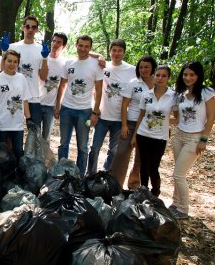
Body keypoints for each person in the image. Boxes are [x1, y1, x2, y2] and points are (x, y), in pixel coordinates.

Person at [169, 61, 215, 219]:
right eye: (185, 74)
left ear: (198, 76)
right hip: (179, 137)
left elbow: (210, 118)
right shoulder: (179, 95)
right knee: (178, 172)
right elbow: (177, 119)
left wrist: (204, 139)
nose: (188, 78)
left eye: (192, 75)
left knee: (179, 175)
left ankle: (183, 210)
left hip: (195, 138)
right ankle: (175, 204)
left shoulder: (206, 92)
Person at [55, 35, 104, 175]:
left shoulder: (97, 65)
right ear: (76, 45)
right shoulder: (69, 63)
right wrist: (57, 106)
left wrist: (95, 113)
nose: (83, 49)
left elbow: (99, 90)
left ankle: (80, 176)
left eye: (86, 46)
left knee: (82, 147)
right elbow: (62, 85)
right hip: (66, 109)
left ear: (90, 48)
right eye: (81, 45)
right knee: (63, 143)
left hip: (85, 112)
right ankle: (61, 173)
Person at [87, 39, 136, 175]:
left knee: (113, 150)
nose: (116, 53)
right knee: (95, 148)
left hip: (120, 119)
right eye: (114, 50)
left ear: (124, 52)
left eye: (120, 50)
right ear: (110, 51)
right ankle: (90, 174)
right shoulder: (103, 65)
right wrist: (100, 56)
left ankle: (106, 175)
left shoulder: (131, 70)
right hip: (102, 116)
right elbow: (85, 51)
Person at [110, 56, 157, 189]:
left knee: (141, 158)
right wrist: (124, 125)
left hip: (148, 125)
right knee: (121, 153)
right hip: (131, 123)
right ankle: (114, 185)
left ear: (152, 68)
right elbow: (125, 104)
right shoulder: (133, 83)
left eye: (146, 67)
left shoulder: (158, 84)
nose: (143, 70)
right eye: (141, 67)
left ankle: (134, 185)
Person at [131, 65, 177, 197]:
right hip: (143, 134)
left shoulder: (173, 96)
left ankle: (155, 193)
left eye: (164, 76)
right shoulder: (147, 94)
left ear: (169, 78)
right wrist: (135, 136)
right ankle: (143, 192)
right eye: (158, 75)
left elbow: (178, 118)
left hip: (160, 137)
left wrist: (164, 120)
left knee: (153, 168)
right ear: (154, 76)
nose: (160, 78)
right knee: (143, 166)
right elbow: (141, 116)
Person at [0, 50, 31, 161]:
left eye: (15, 62)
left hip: (17, 124)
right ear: (4, 61)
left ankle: (17, 176)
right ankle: (2, 177)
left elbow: (25, 100)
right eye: (9, 61)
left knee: (18, 151)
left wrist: (29, 118)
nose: (12, 64)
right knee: (2, 153)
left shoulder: (22, 78)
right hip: (2, 122)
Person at [7, 15, 49, 127]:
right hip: (14, 95)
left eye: (33, 27)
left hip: (33, 97)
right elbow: (4, 71)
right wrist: (4, 51)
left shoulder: (41, 49)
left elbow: (43, 77)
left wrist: (45, 58)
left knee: (34, 132)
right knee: (12, 132)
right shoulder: (12, 47)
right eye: (27, 26)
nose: (30, 29)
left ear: (37, 30)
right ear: (23, 27)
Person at [39, 32, 68, 141]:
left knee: (46, 137)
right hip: (37, 102)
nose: (55, 44)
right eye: (54, 41)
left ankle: (44, 158)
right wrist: (45, 58)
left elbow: (62, 86)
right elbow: (41, 77)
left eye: (59, 42)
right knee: (34, 134)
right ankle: (32, 157)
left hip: (51, 106)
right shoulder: (42, 57)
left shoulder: (65, 63)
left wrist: (57, 105)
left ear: (64, 46)